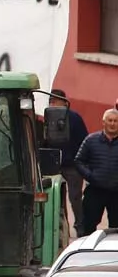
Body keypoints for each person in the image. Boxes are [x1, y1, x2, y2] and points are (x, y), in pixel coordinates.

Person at [48, 89, 88, 232]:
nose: (52, 103)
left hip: (72, 165)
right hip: (53, 164)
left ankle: (80, 225)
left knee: (75, 197)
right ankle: (60, 226)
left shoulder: (74, 118)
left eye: (55, 100)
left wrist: (79, 160)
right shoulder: (48, 117)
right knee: (56, 198)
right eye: (51, 101)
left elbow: (84, 140)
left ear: (65, 102)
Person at [74, 108, 118, 236]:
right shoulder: (91, 140)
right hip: (95, 190)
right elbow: (78, 161)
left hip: (116, 193)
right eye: (110, 120)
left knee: (116, 229)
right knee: (88, 225)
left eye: (116, 121)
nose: (112, 123)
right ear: (103, 122)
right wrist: (90, 176)